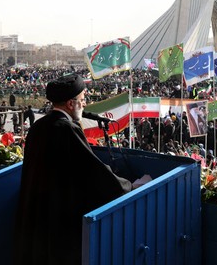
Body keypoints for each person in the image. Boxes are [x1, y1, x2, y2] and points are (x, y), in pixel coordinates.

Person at [14, 74, 150, 265]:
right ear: (71, 104)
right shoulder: (66, 129)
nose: (84, 104)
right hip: (59, 221)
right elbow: (94, 172)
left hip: (37, 217)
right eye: (83, 100)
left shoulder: (38, 126)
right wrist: (131, 186)